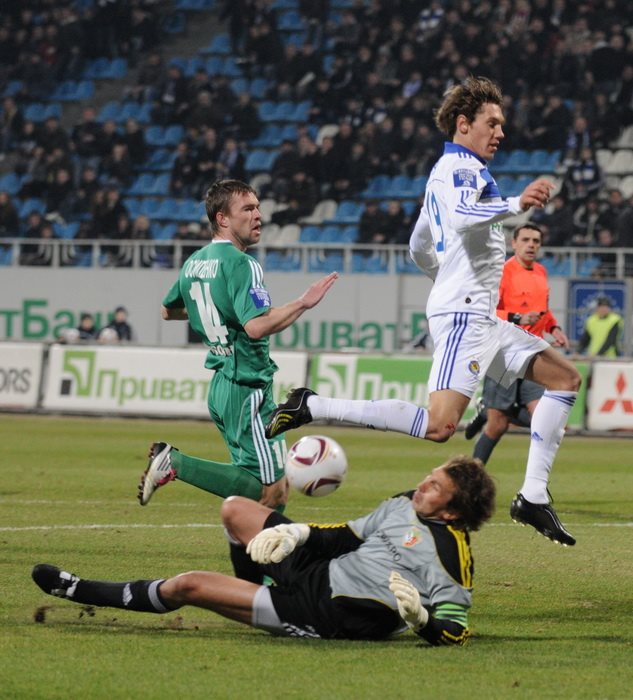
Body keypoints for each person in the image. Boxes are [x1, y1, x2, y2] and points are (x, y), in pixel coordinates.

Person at [266, 77, 581, 546]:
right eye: (492, 123)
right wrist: (516, 204)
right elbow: (460, 218)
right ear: (463, 124)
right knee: (439, 426)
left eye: (501, 124)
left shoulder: (454, 171)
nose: (500, 132)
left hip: (477, 314)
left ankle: (533, 496)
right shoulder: (459, 169)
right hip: (465, 315)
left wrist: (447, 275)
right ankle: (312, 405)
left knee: (565, 379)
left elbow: (418, 244)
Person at [32, 455, 496, 645]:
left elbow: (456, 630)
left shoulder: (453, 557)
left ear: (453, 511)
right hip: (321, 569)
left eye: (434, 487)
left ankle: (79, 590)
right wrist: (298, 535)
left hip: (327, 614)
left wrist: (421, 620)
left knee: (188, 585)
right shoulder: (403, 503)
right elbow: (345, 536)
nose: (422, 486)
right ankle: (258, 588)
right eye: (428, 477)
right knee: (235, 509)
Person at [138, 179, 337, 520]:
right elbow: (256, 326)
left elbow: (167, 311)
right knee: (271, 492)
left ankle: (259, 556)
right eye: (247, 209)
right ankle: (174, 463)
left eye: (257, 207)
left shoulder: (195, 261)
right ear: (223, 219)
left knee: (275, 489)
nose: (258, 215)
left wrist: (214, 312)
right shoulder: (243, 264)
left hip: (223, 385)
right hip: (247, 389)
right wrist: (303, 302)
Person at [463, 223, 570, 465]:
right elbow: (486, 311)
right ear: (514, 243)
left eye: (536, 241)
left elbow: (543, 311)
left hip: (533, 354)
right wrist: (516, 318)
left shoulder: (541, 272)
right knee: (497, 425)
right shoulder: (502, 272)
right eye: (526, 240)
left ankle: (490, 409)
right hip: (503, 354)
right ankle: (472, 474)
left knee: (543, 420)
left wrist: (554, 328)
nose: (531, 245)